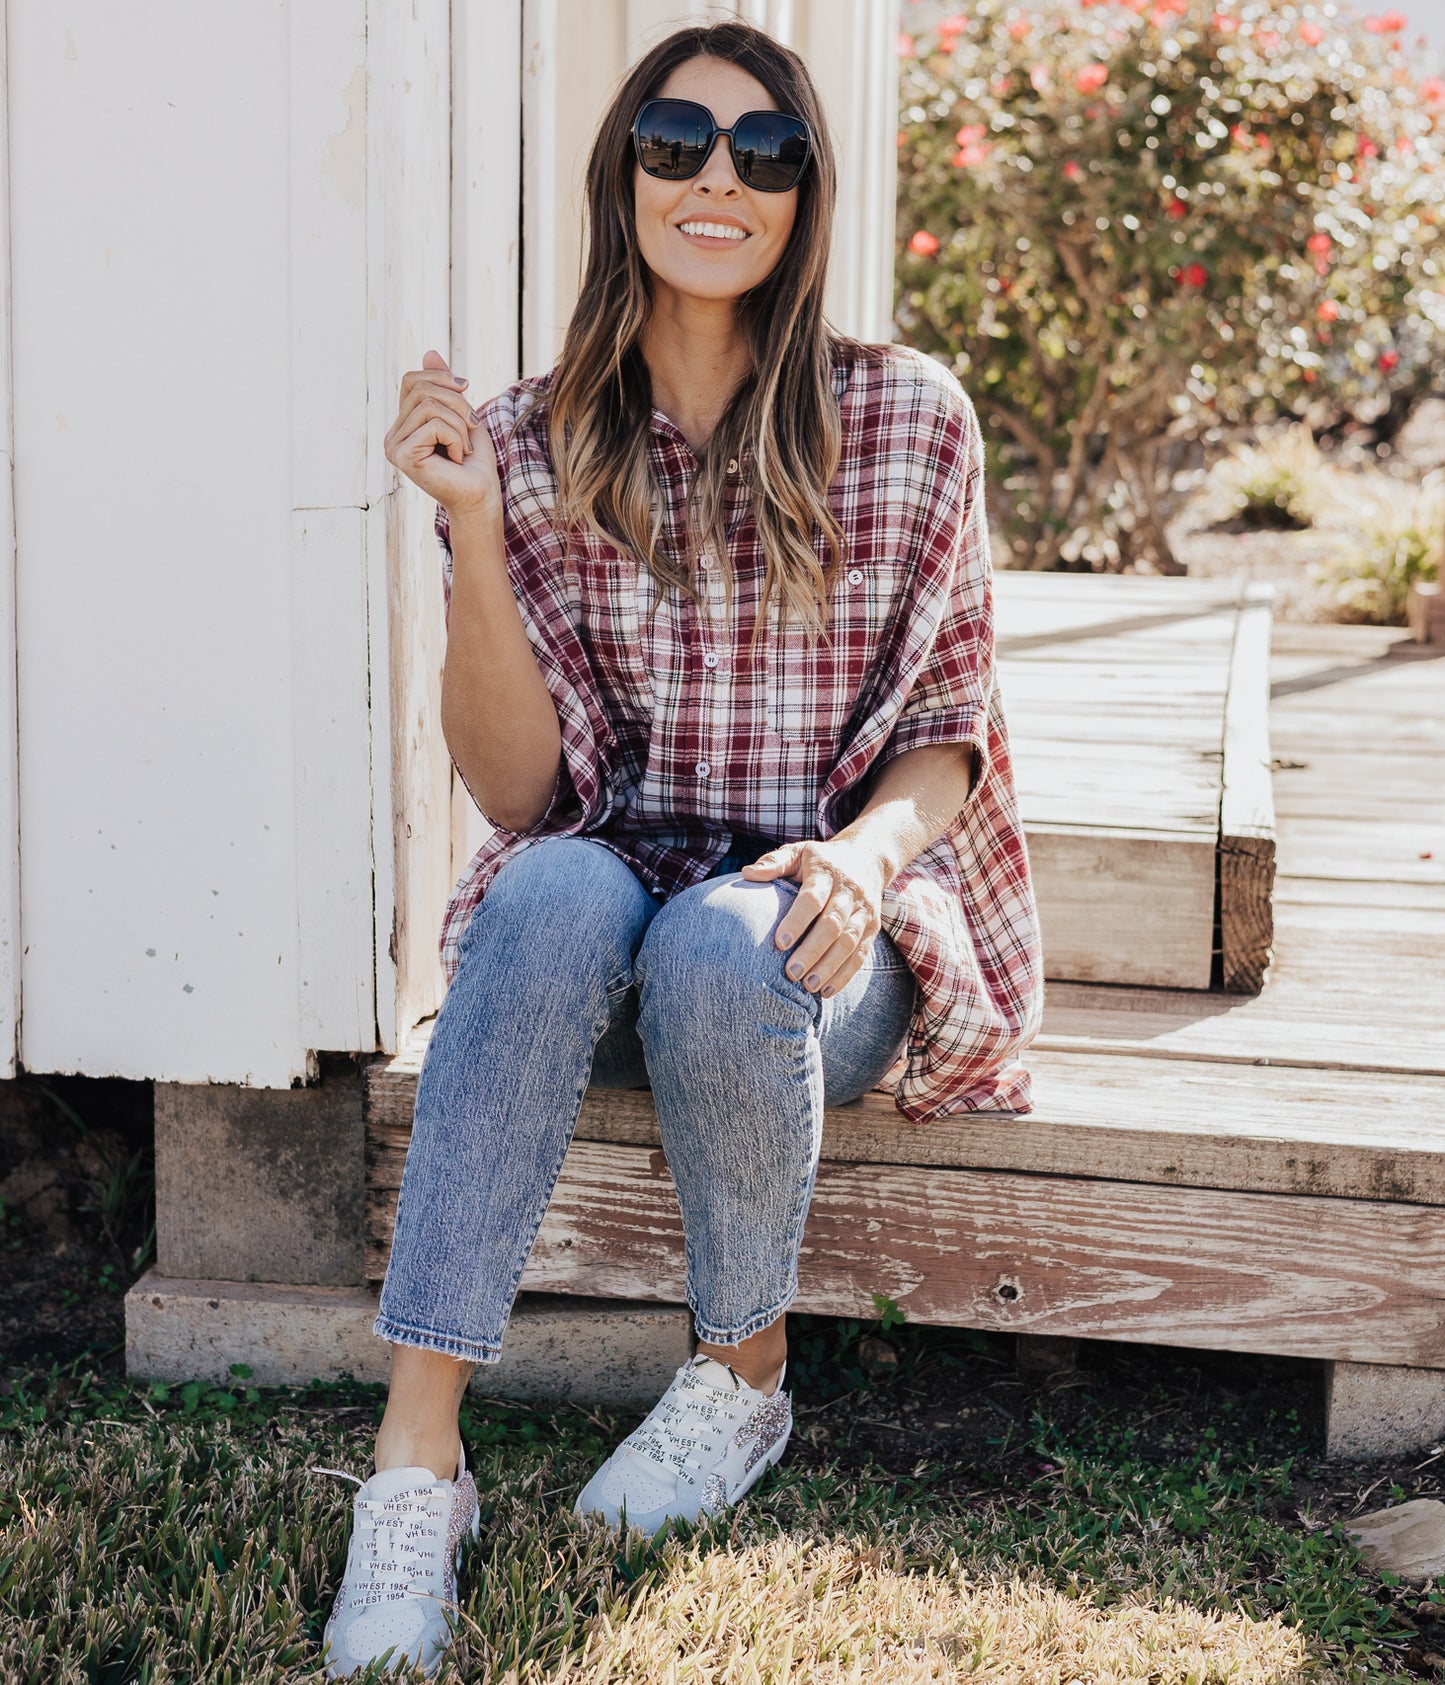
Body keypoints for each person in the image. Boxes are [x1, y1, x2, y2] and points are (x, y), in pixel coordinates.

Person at [316, 18, 1044, 1680]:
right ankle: (417, 1459)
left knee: (729, 933)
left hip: (798, 944)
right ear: (622, 174)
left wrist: (861, 856)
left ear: (803, 196)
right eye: (677, 142)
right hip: (595, 919)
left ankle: (743, 1376)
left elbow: (946, 734)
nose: (719, 178)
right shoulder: (523, 435)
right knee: (559, 878)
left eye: (764, 151)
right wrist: (479, 532)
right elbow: (516, 794)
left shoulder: (908, 422)